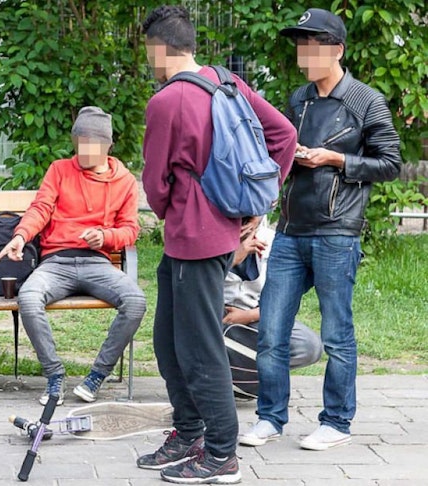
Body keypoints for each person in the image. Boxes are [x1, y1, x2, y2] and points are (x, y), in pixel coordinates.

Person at [138, 6, 297, 483]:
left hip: (194, 236)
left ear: (158, 49)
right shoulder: (226, 82)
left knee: (199, 347)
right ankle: (188, 433)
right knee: (167, 339)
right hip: (204, 236)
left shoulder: (165, 102)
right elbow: (284, 136)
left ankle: (221, 454)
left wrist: (176, 210)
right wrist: (255, 208)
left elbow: (155, 183)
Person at [240, 8, 402, 452]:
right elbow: (281, 158)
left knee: (336, 332)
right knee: (271, 330)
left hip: (337, 231)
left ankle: (336, 421)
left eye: (313, 44)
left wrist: (335, 160)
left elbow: (390, 165)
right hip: (291, 230)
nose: (304, 52)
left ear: (337, 50)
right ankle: (270, 418)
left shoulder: (367, 100)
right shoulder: (299, 99)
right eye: (300, 44)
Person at [0, 106, 146, 407]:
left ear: (107, 145)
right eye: (80, 144)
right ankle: (54, 376)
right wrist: (21, 237)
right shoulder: (60, 170)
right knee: (28, 297)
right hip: (57, 262)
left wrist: (105, 236)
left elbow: (130, 230)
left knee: (136, 301)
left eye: (93, 145)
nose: (85, 152)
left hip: (96, 263)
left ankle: (96, 376)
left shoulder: (125, 181)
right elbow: (41, 208)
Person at [224, 221, 322, 388]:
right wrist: (232, 260)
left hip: (255, 315)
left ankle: (246, 379)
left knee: (309, 346)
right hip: (212, 315)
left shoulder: (273, 242)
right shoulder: (209, 239)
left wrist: (248, 316)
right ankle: (213, 379)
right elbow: (194, 288)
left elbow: (285, 300)